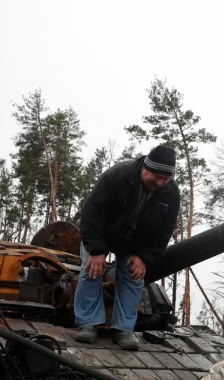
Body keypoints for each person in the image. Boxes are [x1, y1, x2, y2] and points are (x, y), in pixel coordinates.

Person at [73, 145, 180, 349]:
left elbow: (165, 230)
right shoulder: (117, 176)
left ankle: (123, 329)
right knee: (91, 271)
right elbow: (93, 212)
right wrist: (96, 251)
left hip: (134, 242)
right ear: (145, 168)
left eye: (165, 179)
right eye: (157, 176)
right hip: (102, 234)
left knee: (134, 278)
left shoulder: (171, 192)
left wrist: (144, 257)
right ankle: (88, 324)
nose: (160, 182)